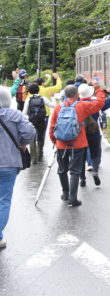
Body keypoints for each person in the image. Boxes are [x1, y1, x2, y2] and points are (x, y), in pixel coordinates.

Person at [49, 84, 105, 207]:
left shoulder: (58, 107)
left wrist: (54, 141)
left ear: (65, 95)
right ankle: (73, 198)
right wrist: (98, 89)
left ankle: (65, 194)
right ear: (77, 95)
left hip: (61, 145)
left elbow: (52, 126)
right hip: (77, 144)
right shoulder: (82, 106)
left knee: (62, 170)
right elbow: (100, 103)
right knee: (74, 171)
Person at [0, 87, 36, 248]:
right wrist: (22, 143)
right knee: (3, 201)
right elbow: (30, 132)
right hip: (9, 163)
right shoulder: (15, 115)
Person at [78, 83, 110, 187]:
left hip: (80, 133)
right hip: (94, 131)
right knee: (95, 153)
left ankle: (82, 179)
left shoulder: (77, 104)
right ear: (90, 93)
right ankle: (95, 171)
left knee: (81, 156)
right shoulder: (96, 103)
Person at [22, 83, 56, 163]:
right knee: (40, 137)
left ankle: (33, 158)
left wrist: (27, 120)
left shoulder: (28, 99)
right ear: (38, 90)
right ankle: (40, 154)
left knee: (32, 138)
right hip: (41, 120)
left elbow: (24, 112)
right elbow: (53, 105)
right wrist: (52, 97)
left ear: (29, 91)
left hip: (31, 121)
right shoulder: (43, 98)